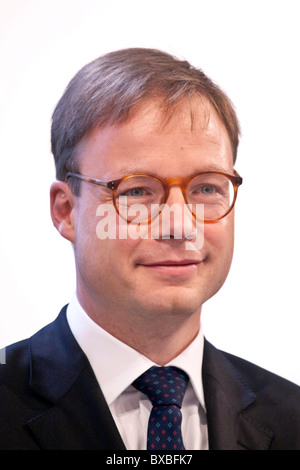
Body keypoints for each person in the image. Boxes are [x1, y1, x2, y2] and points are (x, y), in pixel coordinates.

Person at [0, 48, 299, 451]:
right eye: (137, 190)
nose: (179, 225)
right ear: (66, 211)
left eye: (207, 187)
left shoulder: (291, 417)